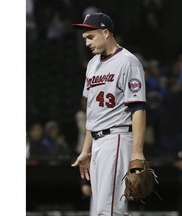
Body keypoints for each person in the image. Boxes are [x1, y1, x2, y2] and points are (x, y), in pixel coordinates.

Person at [71, 12, 147, 216]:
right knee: (99, 211)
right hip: (97, 143)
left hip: (117, 138)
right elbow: (93, 112)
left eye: (90, 37)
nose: (87, 43)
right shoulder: (93, 64)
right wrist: (86, 150)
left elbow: (138, 108)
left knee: (110, 210)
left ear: (106, 32)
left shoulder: (128, 61)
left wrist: (137, 153)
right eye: (85, 39)